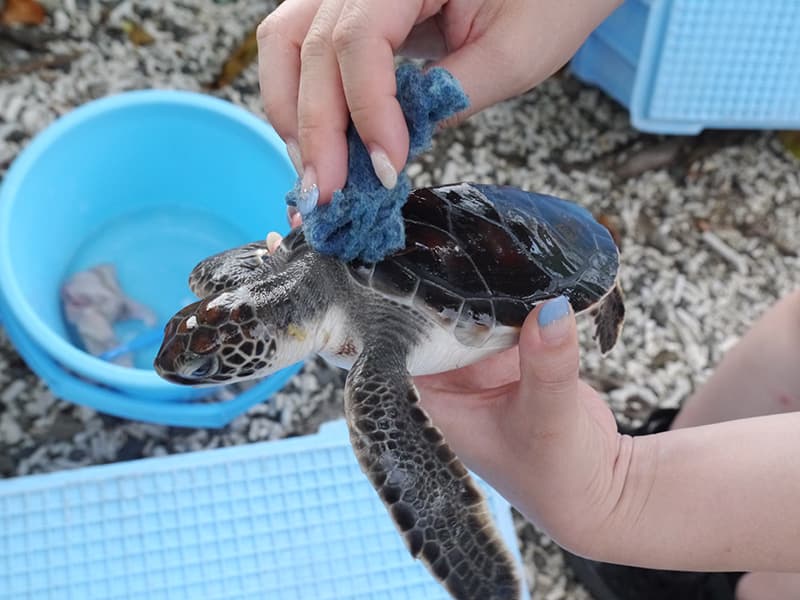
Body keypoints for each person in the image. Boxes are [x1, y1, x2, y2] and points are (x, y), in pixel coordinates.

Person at [255, 2, 800, 599]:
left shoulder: (368, 351)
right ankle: (673, 522)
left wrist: (627, 496)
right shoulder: (298, 273)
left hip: (524, 255)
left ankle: (714, 570)